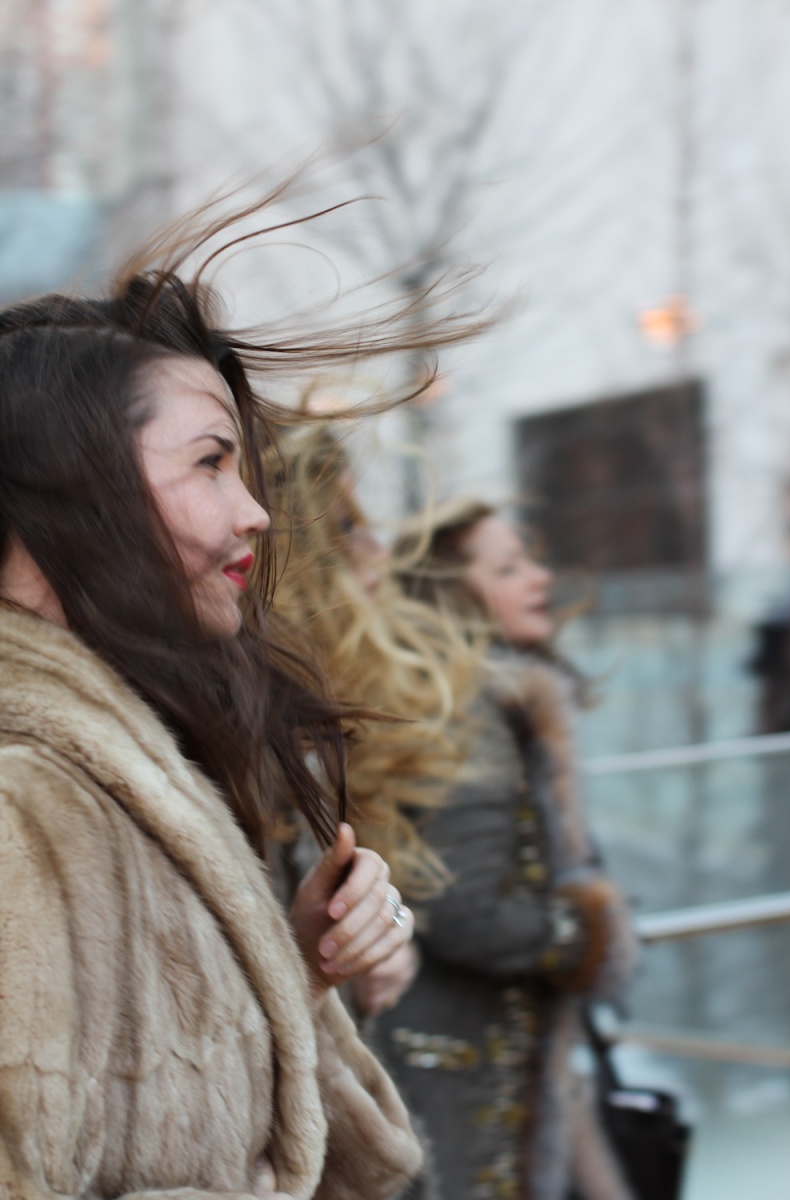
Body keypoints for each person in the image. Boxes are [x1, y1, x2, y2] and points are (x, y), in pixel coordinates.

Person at [0, 203, 480, 1200]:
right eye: (211, 462)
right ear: (73, 487)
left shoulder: (116, 772)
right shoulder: (22, 803)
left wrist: (288, 967)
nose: (255, 510)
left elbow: (160, 1117)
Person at [375, 498, 637, 1200]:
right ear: (451, 591)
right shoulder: (464, 708)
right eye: (509, 567)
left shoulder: (474, 697)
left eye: (531, 561)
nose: (540, 579)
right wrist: (591, 933)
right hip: (463, 1070)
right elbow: (463, 908)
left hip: (477, 1063)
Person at [265, 423, 480, 1018]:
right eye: (346, 528)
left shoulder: (340, 705)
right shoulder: (260, 731)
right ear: (290, 557)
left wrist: (381, 930)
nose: (377, 549)